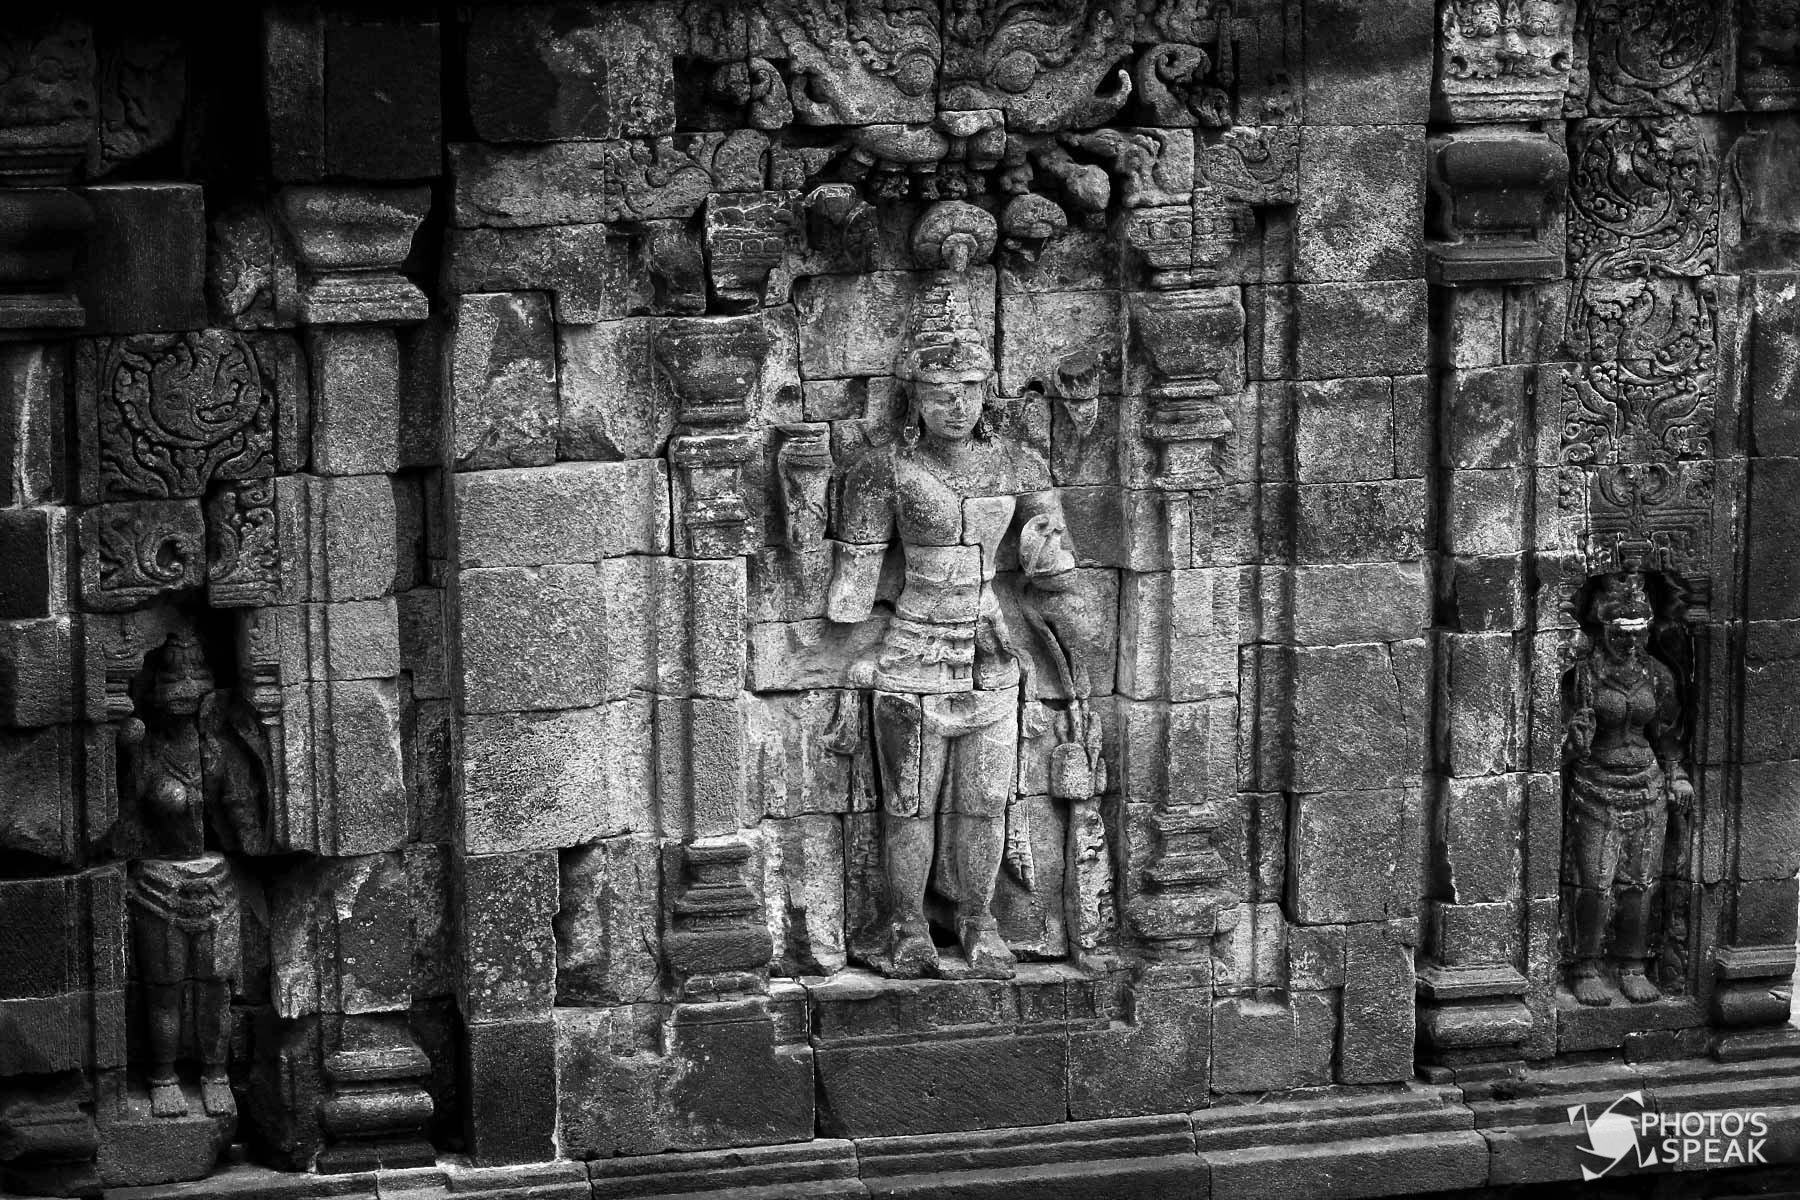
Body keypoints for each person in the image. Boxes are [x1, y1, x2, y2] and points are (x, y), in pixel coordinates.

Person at [827, 272, 1092, 980]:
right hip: (911, 650)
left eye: (971, 389)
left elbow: (1057, 568)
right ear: (913, 395)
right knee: (909, 806)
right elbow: (849, 596)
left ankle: (978, 920)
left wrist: (1047, 551)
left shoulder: (1017, 463)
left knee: (985, 802)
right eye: (942, 391)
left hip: (991, 651)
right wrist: (811, 512)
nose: (958, 404)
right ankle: (907, 926)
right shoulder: (883, 471)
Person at [121, 628, 261, 1119]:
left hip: (214, 881)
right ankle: (162, 1075)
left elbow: (243, 819)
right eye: (171, 675)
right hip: (157, 884)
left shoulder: (218, 751)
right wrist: (125, 756)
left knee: (215, 988)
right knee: (164, 989)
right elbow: (120, 827)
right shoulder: (145, 751)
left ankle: (215, 1074)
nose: (182, 689)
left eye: (193, 674)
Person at [1564, 566, 1691, 1006]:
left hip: (1646, 785)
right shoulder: (1584, 676)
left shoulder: (1656, 675)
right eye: (1621, 634)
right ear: (1603, 629)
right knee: (1596, 883)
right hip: (1595, 784)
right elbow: (1559, 739)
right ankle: (1585, 964)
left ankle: (1632, 964)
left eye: (1639, 633)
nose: (1631, 643)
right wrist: (1573, 741)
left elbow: (1668, 731)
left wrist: (1676, 774)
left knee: (1640, 882)